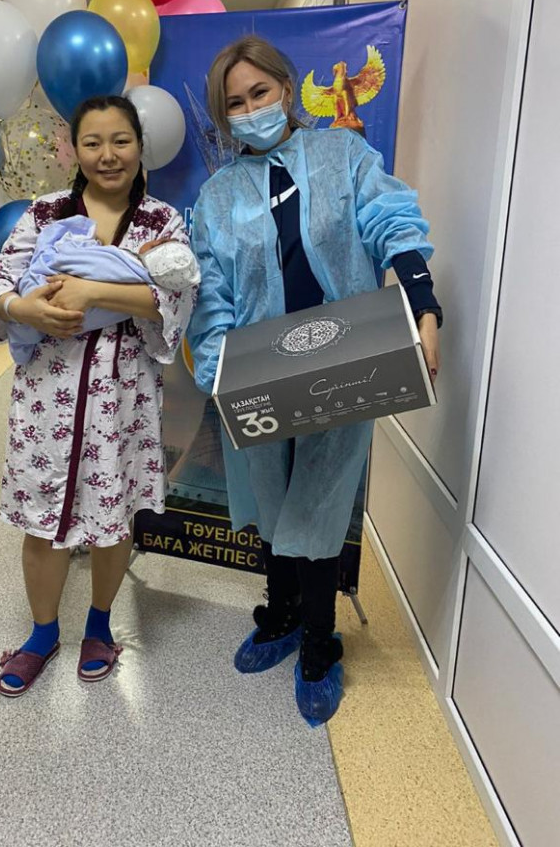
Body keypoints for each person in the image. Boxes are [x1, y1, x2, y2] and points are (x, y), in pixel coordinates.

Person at [187, 36, 442, 727]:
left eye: (260, 93)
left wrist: (423, 303)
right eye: (235, 103)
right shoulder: (216, 196)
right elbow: (211, 297)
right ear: (223, 115)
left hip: (344, 361)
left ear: (286, 87)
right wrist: (219, 373)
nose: (251, 110)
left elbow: (391, 220)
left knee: (322, 504)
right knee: (270, 497)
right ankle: (281, 614)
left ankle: (321, 643)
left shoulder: (342, 155)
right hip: (258, 369)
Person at [0, 94, 197, 696]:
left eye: (121, 140)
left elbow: (175, 296)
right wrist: (25, 309)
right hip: (46, 398)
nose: (108, 154)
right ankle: (42, 635)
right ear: (74, 149)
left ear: (140, 146)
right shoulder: (46, 213)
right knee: (41, 518)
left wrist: (92, 292)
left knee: (113, 514)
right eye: (93, 142)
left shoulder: (162, 222)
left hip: (122, 399)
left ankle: (100, 627)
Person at [4, 213, 200, 364]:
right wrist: (21, 309)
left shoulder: (164, 219)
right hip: (44, 381)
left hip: (125, 384)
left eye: (162, 244)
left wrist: (91, 292)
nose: (107, 159)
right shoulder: (43, 209)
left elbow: (181, 299)